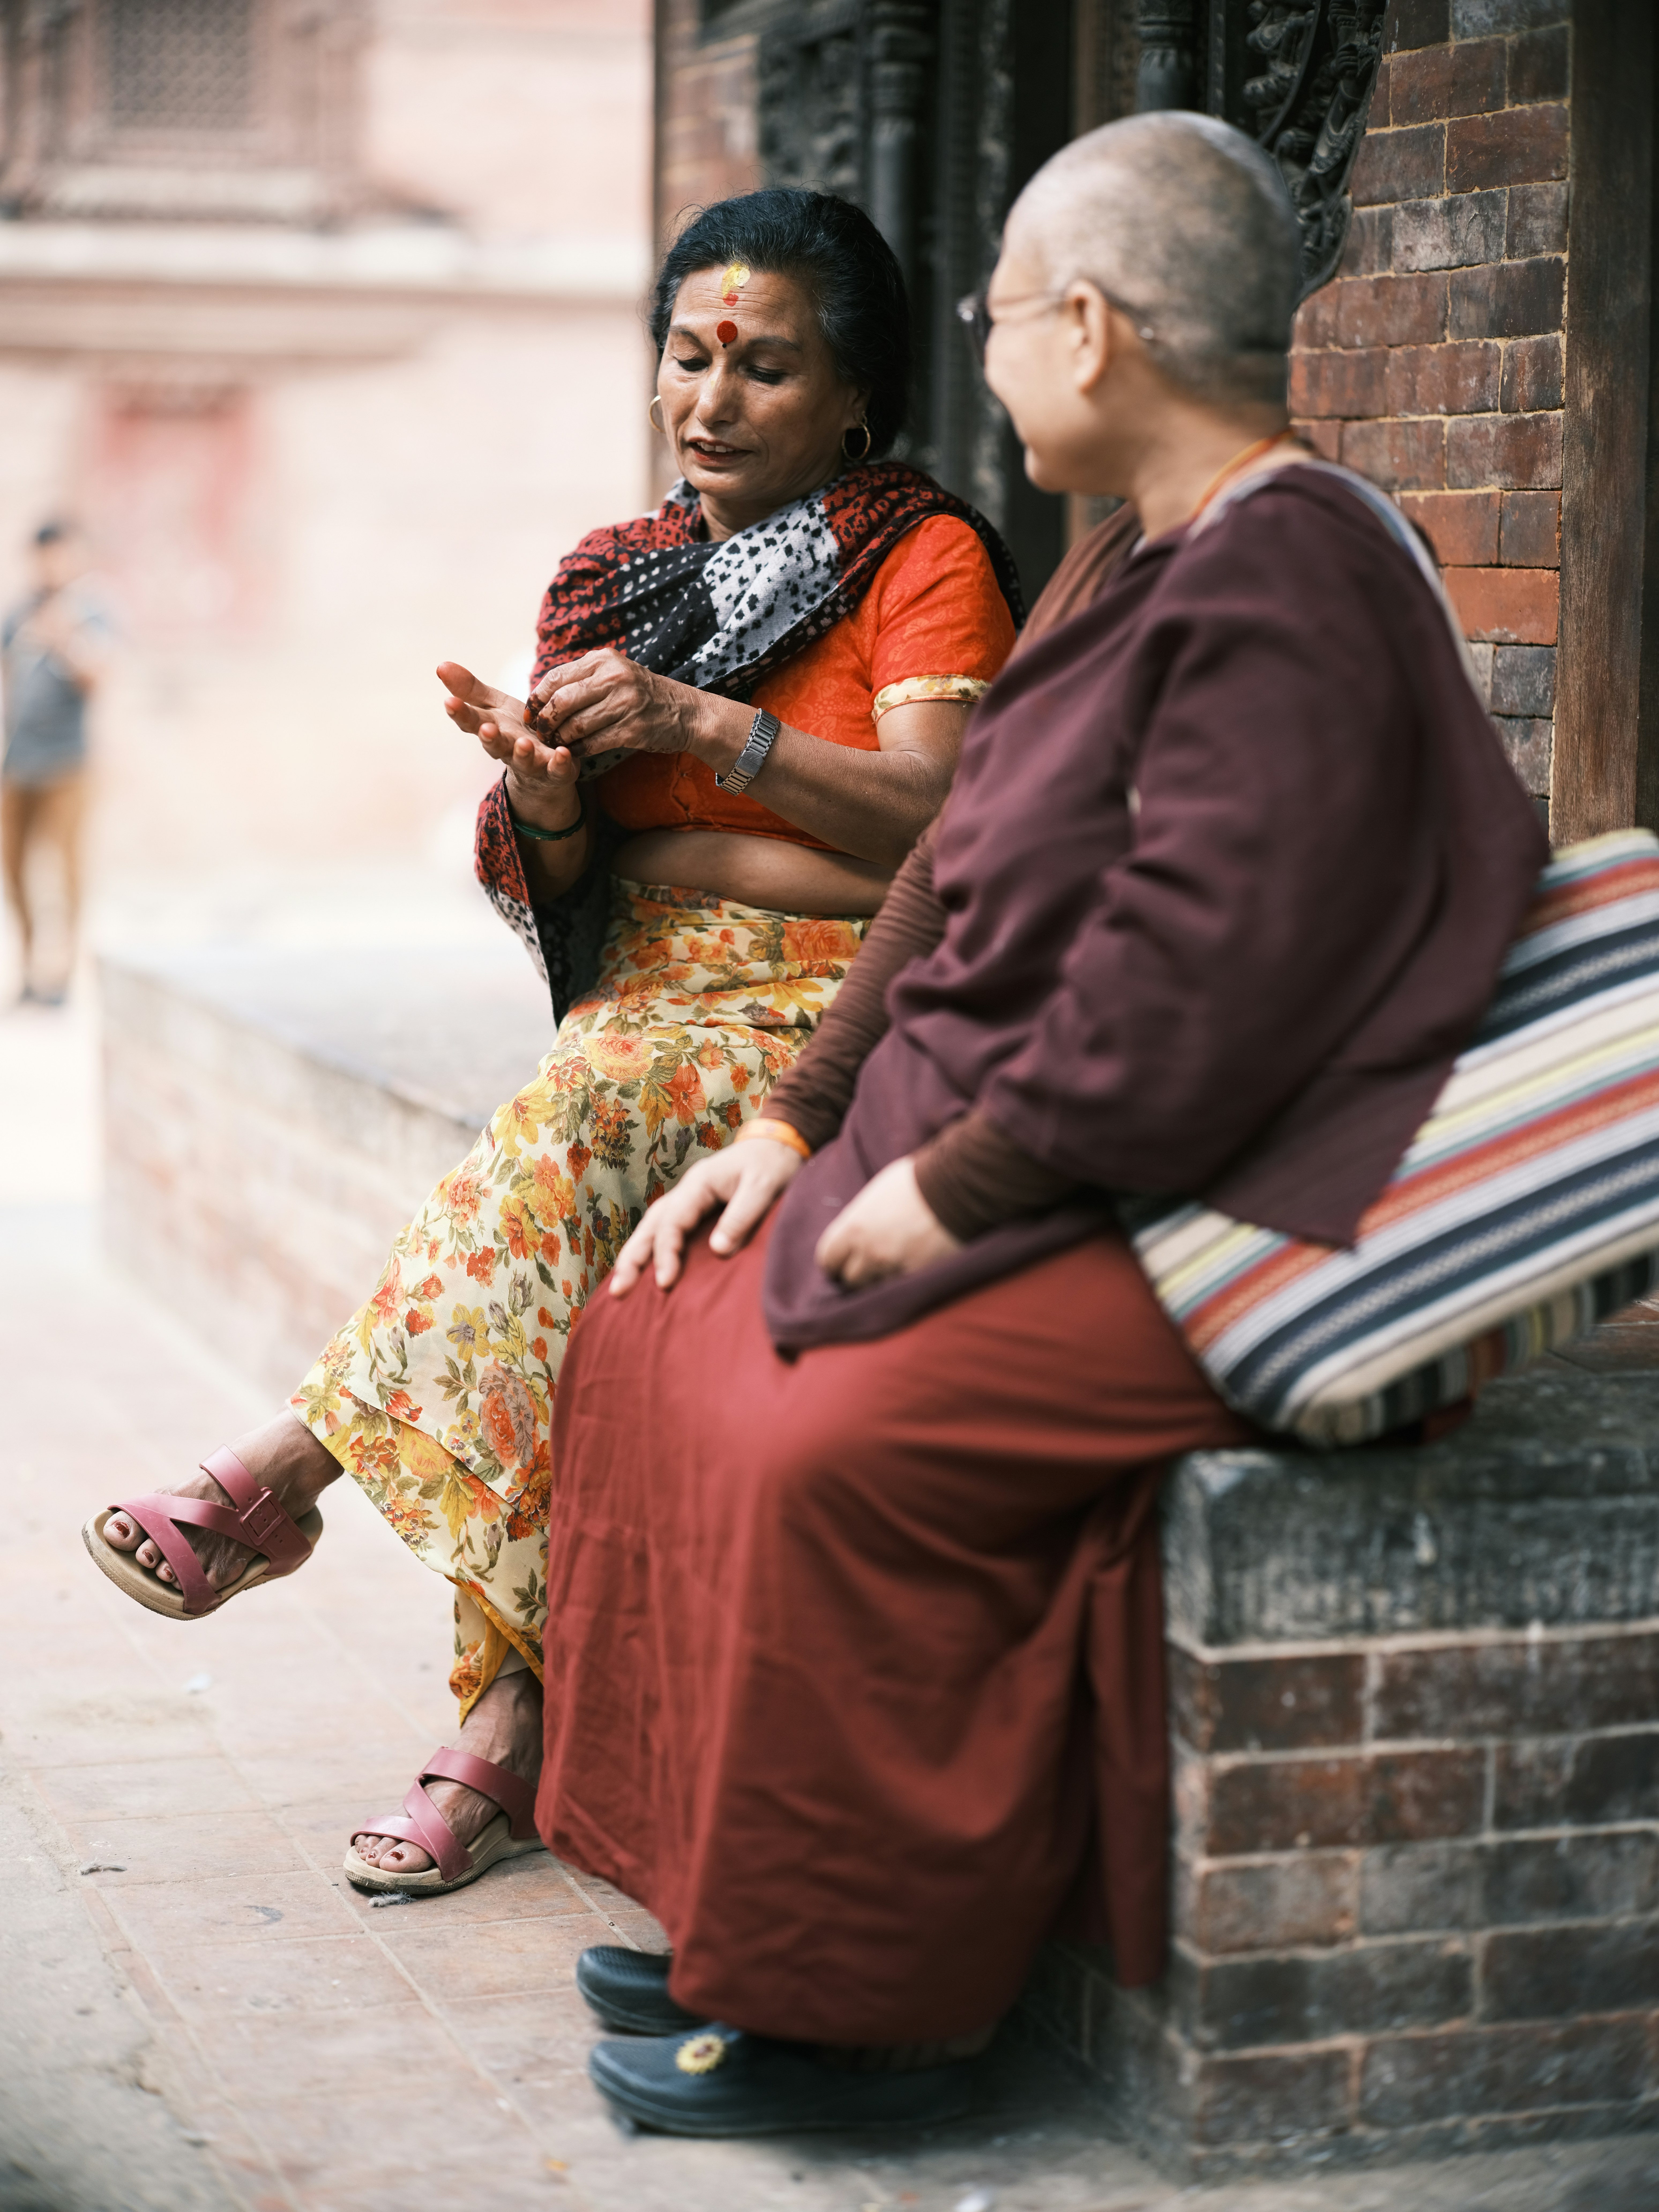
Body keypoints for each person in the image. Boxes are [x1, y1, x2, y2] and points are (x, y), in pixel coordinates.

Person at [525, 111, 1545, 2134]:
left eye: (993, 318)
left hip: (1232, 1198)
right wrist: (796, 1123)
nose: (979, 359)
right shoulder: (1129, 549)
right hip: (1046, 1133)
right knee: (657, 1322)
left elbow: (1210, 981)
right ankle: (741, 1905)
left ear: (1084, 330)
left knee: (825, 1427)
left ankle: (856, 2009)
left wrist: (948, 1187)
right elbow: (958, 856)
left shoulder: (1297, 569)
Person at [83, 190, 1021, 1890]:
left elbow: (942, 833)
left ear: (857, 398)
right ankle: (500, 1726)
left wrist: (699, 745)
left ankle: (300, 1469)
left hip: (840, 1006)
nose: (711, 401)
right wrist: (554, 799)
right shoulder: (619, 577)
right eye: (690, 354)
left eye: (766, 367)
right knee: (559, 1221)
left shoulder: (924, 558)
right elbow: (587, 893)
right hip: (648, 1002)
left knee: (569, 1122)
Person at [2, 521, 111, 1004]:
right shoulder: (19, 615)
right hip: (18, 761)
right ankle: (28, 965)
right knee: (16, 868)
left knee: (66, 871)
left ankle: (62, 973)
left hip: (68, 762)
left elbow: (98, 678)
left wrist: (64, 637)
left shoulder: (88, 614)